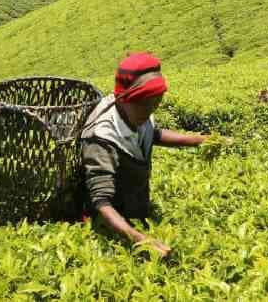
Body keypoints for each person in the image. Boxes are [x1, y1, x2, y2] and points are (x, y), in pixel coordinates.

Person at [81, 52, 206, 257]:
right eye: (146, 106)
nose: (150, 112)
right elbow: (101, 202)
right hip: (111, 226)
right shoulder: (101, 138)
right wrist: (140, 239)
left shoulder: (137, 109)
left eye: (155, 105)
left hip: (135, 211)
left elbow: (152, 134)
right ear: (124, 99)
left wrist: (199, 140)